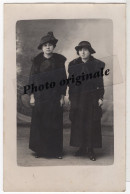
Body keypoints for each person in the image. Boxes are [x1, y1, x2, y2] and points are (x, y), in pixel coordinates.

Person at [29, 32, 67, 159]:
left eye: (50, 45)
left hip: (54, 97)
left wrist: (62, 96)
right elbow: (32, 79)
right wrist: (32, 96)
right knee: (40, 124)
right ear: (42, 47)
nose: (48, 47)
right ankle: (40, 150)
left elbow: (63, 79)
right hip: (40, 97)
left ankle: (56, 151)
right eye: (45, 45)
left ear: (53, 47)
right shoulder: (37, 61)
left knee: (55, 124)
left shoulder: (59, 61)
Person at [68, 41, 105, 161]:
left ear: (90, 51)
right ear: (78, 52)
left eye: (85, 50)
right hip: (78, 98)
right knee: (79, 122)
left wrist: (100, 97)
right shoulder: (73, 64)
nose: (82, 52)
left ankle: (90, 149)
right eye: (80, 50)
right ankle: (81, 147)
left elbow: (100, 82)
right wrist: (71, 98)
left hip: (92, 98)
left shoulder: (96, 64)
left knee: (91, 122)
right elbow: (71, 83)